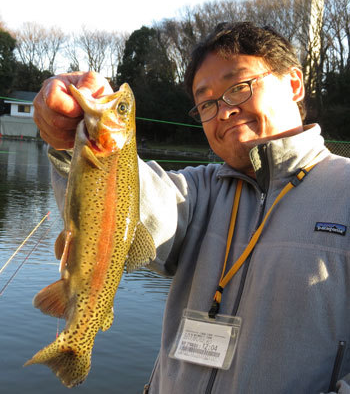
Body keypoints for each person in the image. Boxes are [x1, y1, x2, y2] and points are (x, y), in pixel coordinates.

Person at [33, 22, 350, 394]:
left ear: (294, 83)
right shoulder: (199, 192)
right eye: (206, 103)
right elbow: (125, 198)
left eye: (238, 87)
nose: (223, 111)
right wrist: (70, 136)